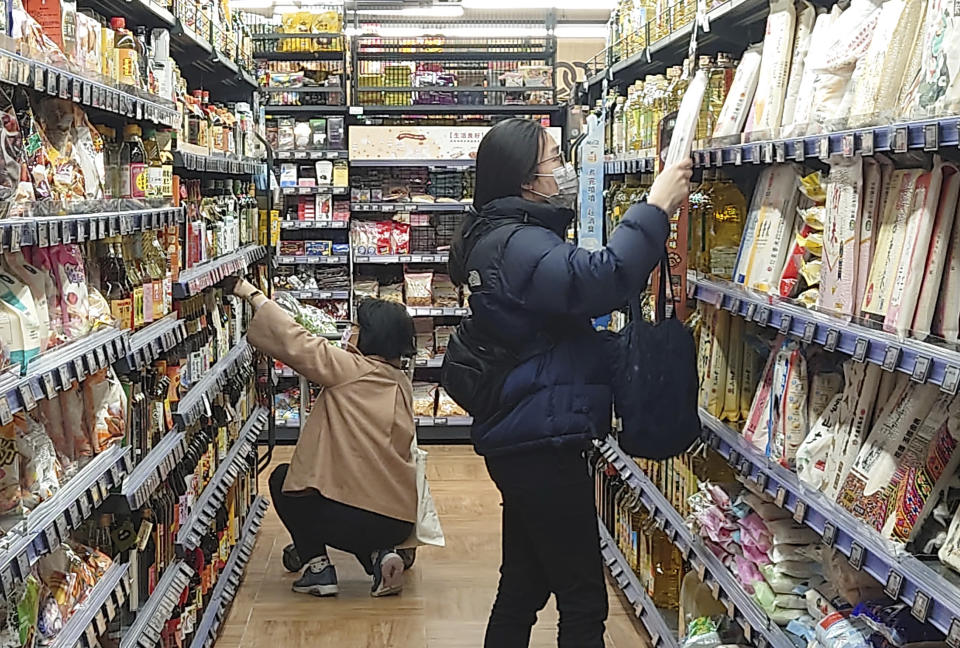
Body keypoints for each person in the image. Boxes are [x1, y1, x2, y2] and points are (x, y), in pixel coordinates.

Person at [445, 118, 692, 647]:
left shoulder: (505, 233)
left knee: (524, 586)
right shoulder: (517, 243)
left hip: (527, 432)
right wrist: (655, 208)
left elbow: (551, 329)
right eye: (555, 160)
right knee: (583, 598)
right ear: (525, 180)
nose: (565, 168)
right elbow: (599, 279)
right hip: (539, 443)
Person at [226, 277, 418, 598]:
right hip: (398, 521)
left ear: (371, 336)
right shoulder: (401, 382)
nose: (351, 331)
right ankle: (381, 556)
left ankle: (318, 569)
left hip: (354, 517)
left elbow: (295, 341)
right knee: (360, 501)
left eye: (356, 326)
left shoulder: (349, 369)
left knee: (284, 482)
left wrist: (251, 292)